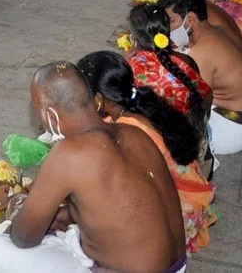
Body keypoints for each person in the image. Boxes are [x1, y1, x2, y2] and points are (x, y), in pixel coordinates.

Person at [0, 62, 187, 273]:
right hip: (177, 267)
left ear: (50, 114)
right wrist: (65, 215)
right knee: (65, 233)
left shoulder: (70, 153)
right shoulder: (134, 132)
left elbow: (24, 237)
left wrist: (17, 205)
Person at [76, 51, 215, 253]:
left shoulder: (126, 130)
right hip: (191, 199)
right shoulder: (140, 104)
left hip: (178, 219)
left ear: (98, 100)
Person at [159, 0, 242, 155]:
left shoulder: (203, 51)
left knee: (157, 123)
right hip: (241, 120)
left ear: (190, 18)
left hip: (229, 131)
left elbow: (188, 103)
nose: (167, 29)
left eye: (171, 21)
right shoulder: (218, 30)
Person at [128, 4, 213, 124]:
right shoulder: (186, 60)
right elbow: (205, 101)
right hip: (191, 130)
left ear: (133, 39)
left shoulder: (131, 67)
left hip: (153, 133)